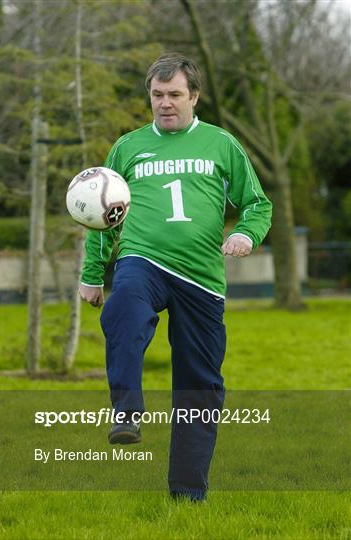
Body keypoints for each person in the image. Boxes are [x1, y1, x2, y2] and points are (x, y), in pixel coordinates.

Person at [79, 53, 272, 502]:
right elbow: (100, 215)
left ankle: (187, 494)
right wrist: (92, 275)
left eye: (175, 95)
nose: (165, 103)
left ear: (194, 96)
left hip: (202, 278)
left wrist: (245, 233)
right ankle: (126, 413)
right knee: (124, 308)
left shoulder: (221, 144)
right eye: (157, 95)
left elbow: (257, 204)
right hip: (142, 261)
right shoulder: (127, 148)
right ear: (150, 96)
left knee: (200, 384)